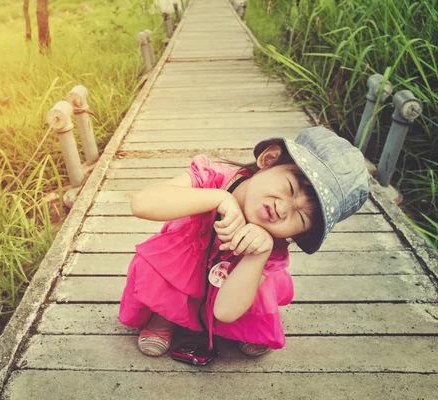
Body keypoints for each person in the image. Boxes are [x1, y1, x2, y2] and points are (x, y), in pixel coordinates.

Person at [118, 126, 370, 358]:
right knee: (166, 268)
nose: (283, 208)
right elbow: (142, 203)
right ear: (269, 159)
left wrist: (258, 255)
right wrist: (217, 198)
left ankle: (244, 328)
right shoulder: (212, 177)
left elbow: (225, 312)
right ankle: (164, 316)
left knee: (251, 298)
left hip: (231, 289)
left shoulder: (273, 244)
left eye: (301, 216)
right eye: (290, 188)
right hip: (185, 259)